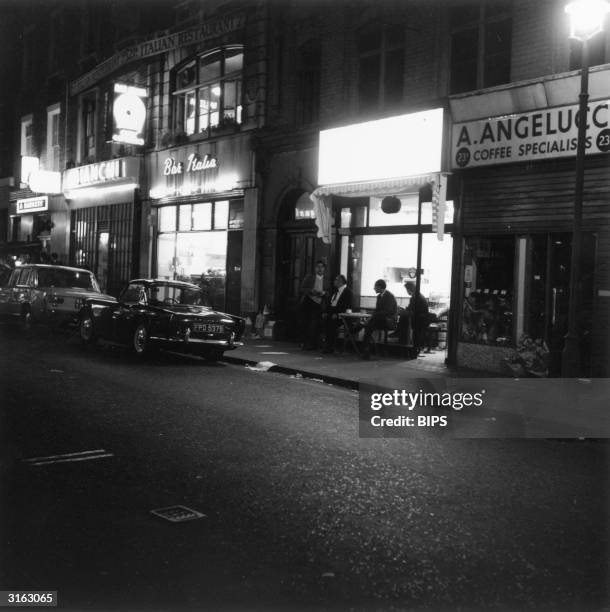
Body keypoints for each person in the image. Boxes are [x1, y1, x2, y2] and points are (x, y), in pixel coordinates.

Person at [361, 279, 397, 360]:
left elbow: (388, 311)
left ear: (380, 287)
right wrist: (373, 316)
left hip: (389, 321)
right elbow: (378, 310)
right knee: (369, 326)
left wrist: (372, 316)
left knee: (369, 326)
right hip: (381, 320)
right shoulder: (379, 296)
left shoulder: (390, 296)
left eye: (375, 287)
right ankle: (366, 350)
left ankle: (366, 350)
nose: (374, 289)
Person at [394, 281, 430, 357]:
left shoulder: (415, 297)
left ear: (409, 289)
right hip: (421, 319)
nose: (406, 291)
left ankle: (398, 332)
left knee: (415, 336)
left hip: (419, 320)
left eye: (406, 289)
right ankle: (399, 332)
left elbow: (412, 310)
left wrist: (401, 312)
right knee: (416, 336)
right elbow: (411, 308)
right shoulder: (419, 296)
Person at [299, 260, 328, 349]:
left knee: (318, 324)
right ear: (315, 269)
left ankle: (316, 343)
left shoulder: (327, 279)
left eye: (321, 267)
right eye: (318, 267)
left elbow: (330, 292)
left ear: (324, 269)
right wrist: (311, 291)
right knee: (307, 323)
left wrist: (324, 293)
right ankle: (306, 343)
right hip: (309, 302)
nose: (320, 269)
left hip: (320, 303)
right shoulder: (310, 277)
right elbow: (302, 288)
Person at [322, 274, 353, 354]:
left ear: (341, 282)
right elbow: (330, 303)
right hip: (332, 313)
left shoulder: (348, 292)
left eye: (336, 280)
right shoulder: (335, 291)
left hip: (342, 316)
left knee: (331, 323)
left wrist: (338, 314)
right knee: (322, 321)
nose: (334, 281)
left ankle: (330, 347)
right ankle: (326, 344)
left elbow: (347, 306)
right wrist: (325, 312)